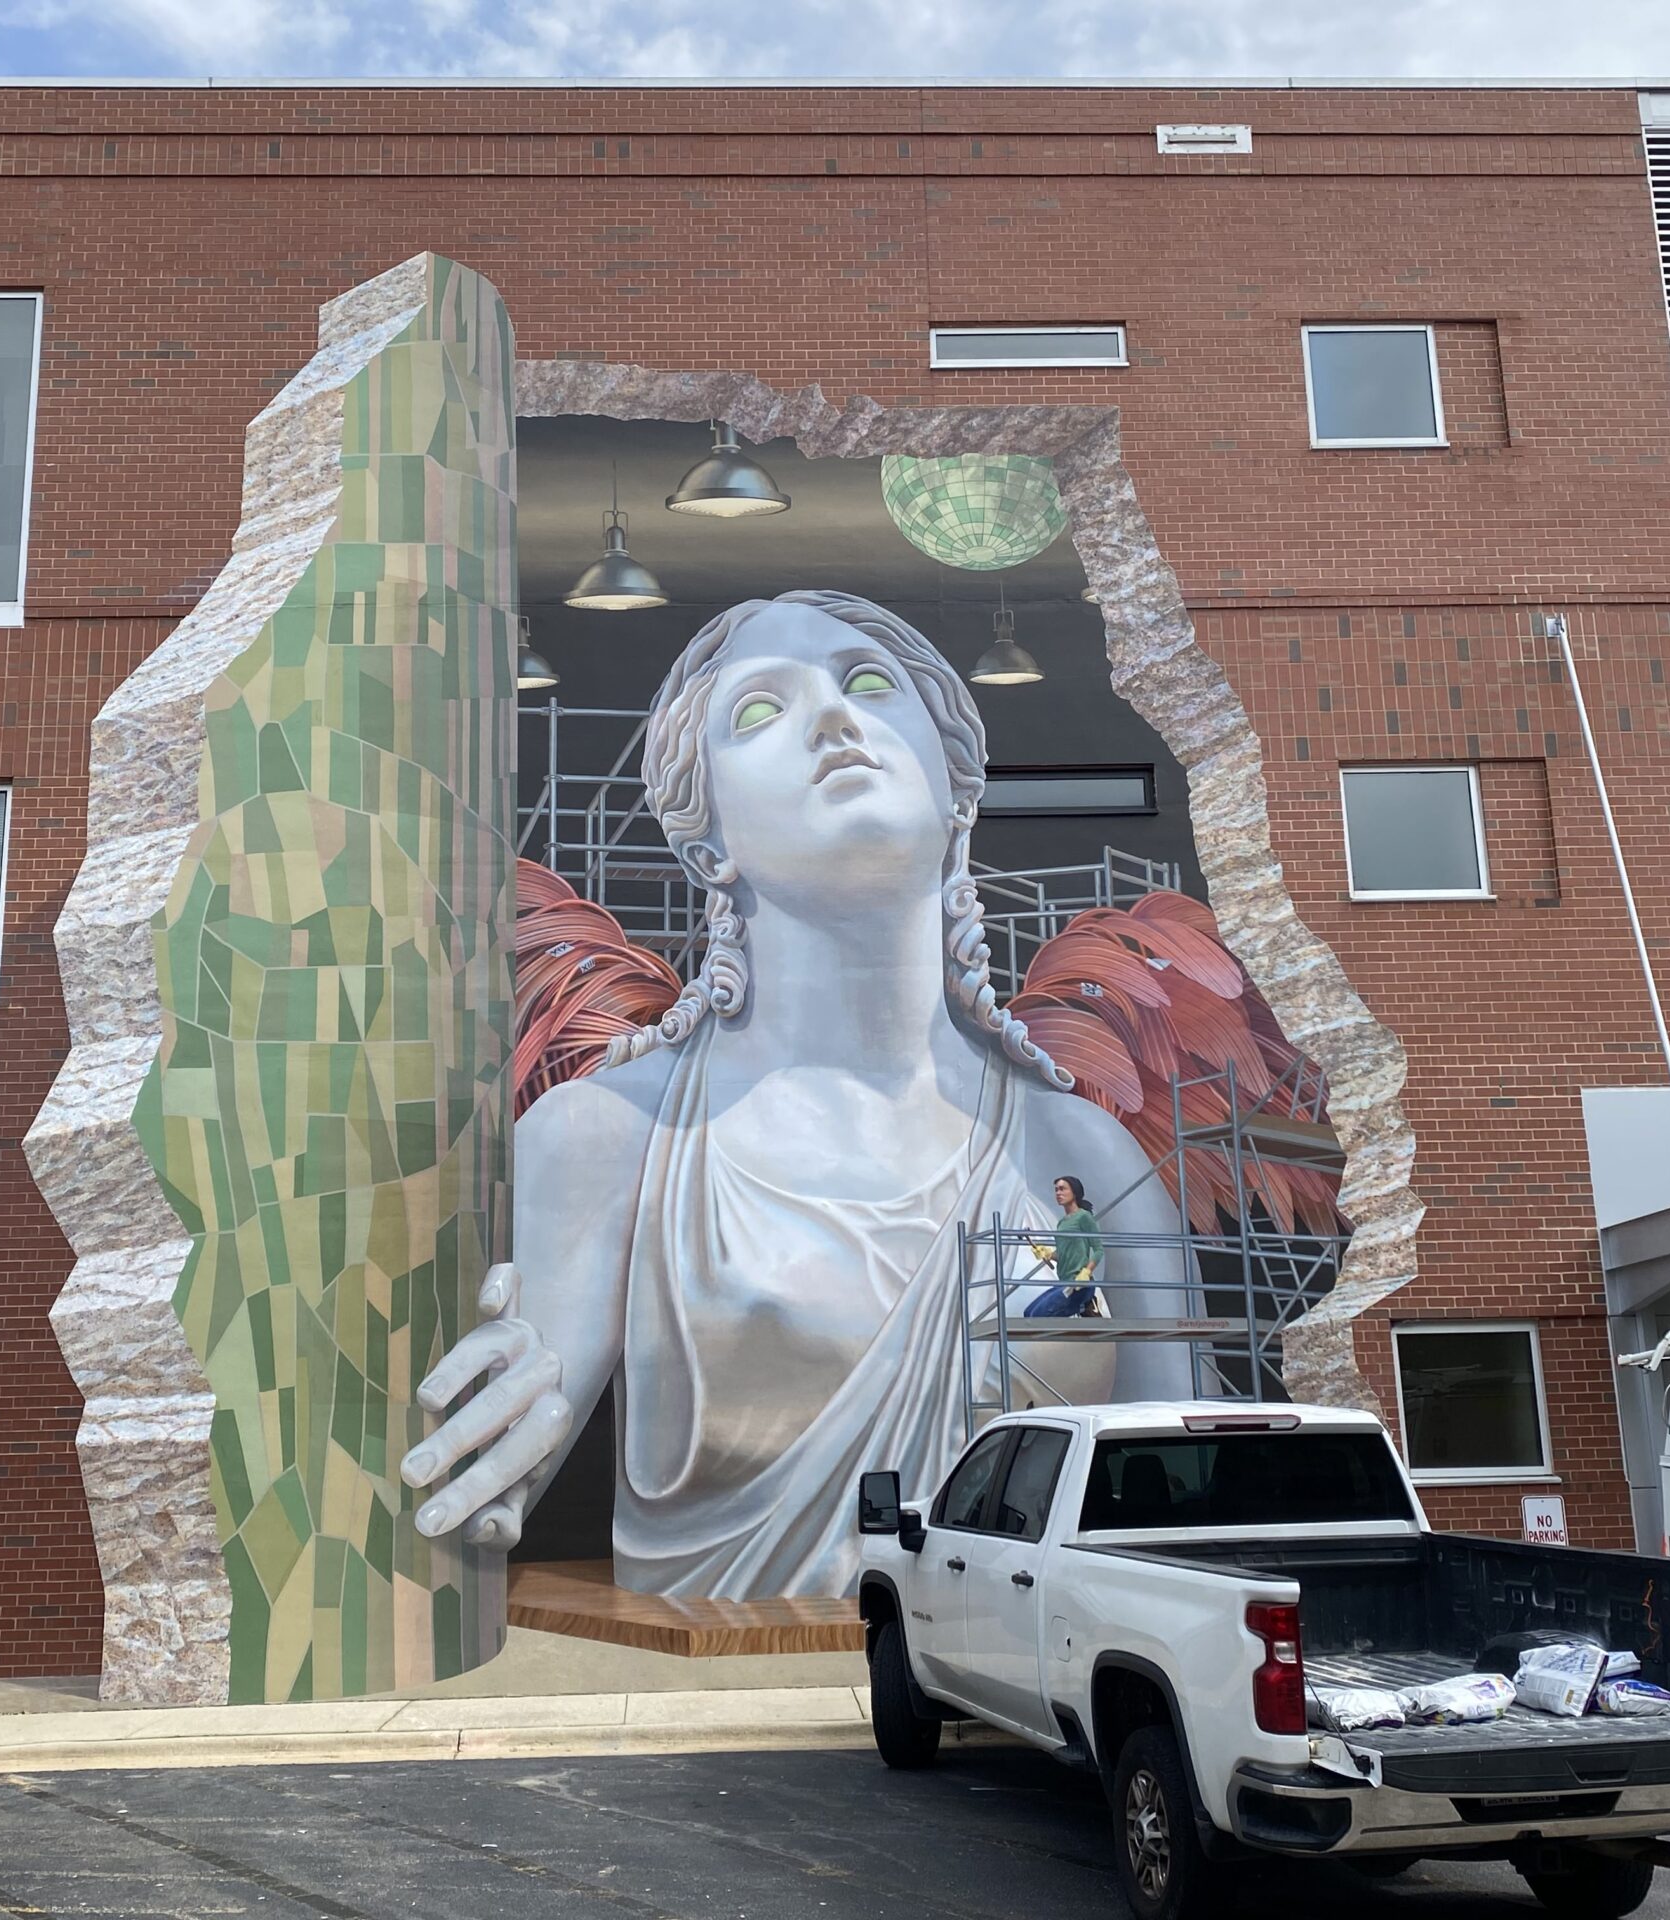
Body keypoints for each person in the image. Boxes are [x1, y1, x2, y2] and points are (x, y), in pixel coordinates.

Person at [397, 591, 1191, 1600]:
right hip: (724, 1705)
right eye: (760, 710)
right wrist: (465, 1451)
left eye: (868, 683)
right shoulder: (612, 1138)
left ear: (956, 787)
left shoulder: (1082, 1155)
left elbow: (1184, 1502)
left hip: (1016, 1697)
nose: (833, 717)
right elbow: (489, 1461)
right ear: (706, 843)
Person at [1024, 1174, 1106, 1317]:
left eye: (1062, 1189)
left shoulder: (1084, 1217)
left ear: (1074, 1192)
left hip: (1078, 1285)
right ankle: (1084, 1305)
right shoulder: (1062, 1223)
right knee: (1028, 1313)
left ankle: (1086, 1303)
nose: (1058, 1193)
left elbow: (1098, 1250)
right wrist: (1047, 1253)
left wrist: (1086, 1272)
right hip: (1064, 1282)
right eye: (1056, 1190)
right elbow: (1064, 1254)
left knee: (1036, 1316)